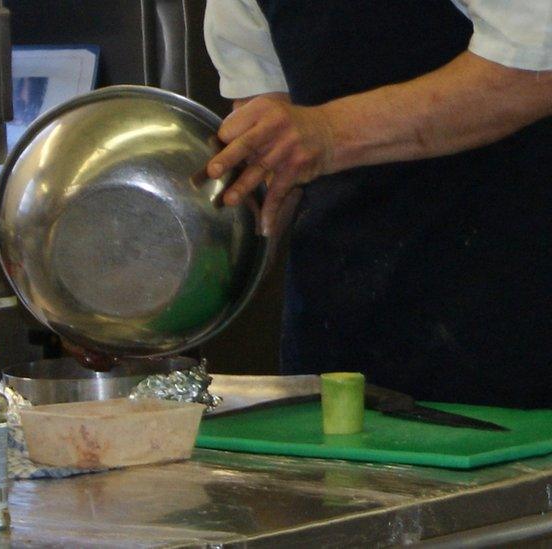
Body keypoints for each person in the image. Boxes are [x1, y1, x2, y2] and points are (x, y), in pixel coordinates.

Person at [203, 1, 552, 407]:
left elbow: (537, 66)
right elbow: (272, 147)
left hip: (512, 309)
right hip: (340, 332)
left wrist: (329, 133)